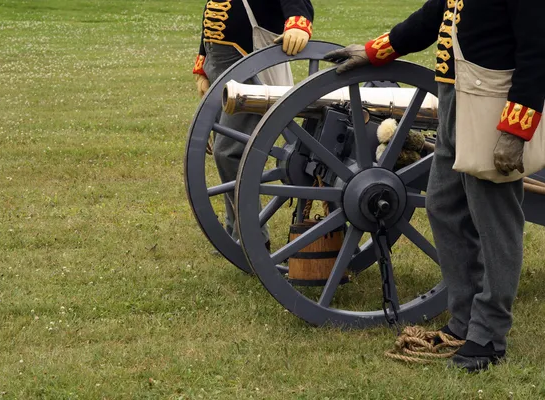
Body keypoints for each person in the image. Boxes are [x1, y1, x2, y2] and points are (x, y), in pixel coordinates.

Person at [325, 0, 544, 372]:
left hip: (493, 104)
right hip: (454, 97)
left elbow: (538, 51)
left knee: (495, 222)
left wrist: (515, 130)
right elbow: (433, 16)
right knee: (443, 206)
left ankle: (489, 335)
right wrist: (376, 50)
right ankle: (463, 320)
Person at [192, 0, 314, 248]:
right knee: (225, 156)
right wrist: (203, 64)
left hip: (247, 67)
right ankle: (235, 229)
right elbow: (213, 12)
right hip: (220, 65)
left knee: (229, 152)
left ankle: (253, 236)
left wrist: (298, 24)